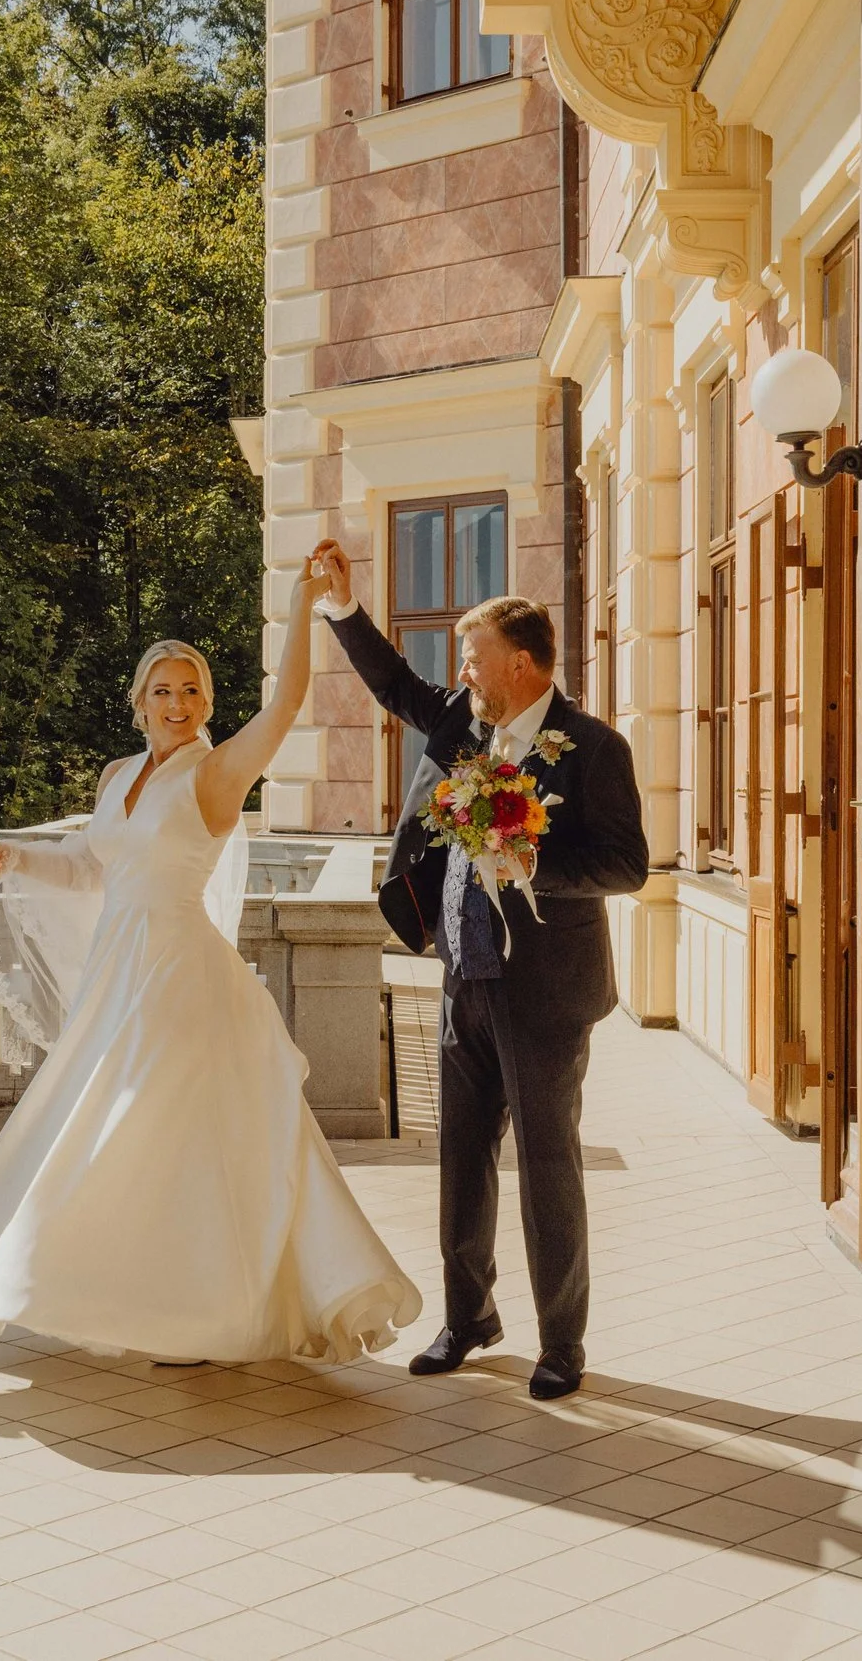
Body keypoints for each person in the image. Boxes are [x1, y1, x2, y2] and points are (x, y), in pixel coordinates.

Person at [0, 556, 422, 1364]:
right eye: (163, 689)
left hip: (181, 977)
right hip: (115, 978)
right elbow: (96, 866)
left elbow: (289, 702)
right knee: (115, 1136)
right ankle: (125, 1298)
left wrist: (304, 604)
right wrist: (15, 858)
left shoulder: (218, 771)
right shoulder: (118, 775)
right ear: (137, 702)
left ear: (207, 703)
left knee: (168, 1137)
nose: (178, 702)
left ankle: (199, 1316)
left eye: (192, 689)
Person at [313, 540, 649, 1400]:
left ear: (524, 664)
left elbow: (627, 865)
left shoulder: (593, 747)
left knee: (546, 1163)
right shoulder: (467, 722)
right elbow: (397, 690)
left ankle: (561, 1343)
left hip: (546, 991)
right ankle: (469, 1318)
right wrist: (343, 605)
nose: (462, 672)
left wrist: (533, 859)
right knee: (461, 1156)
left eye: (475, 657)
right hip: (464, 972)